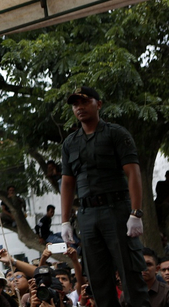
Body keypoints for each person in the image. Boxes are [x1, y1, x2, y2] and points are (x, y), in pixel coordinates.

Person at [59, 86, 149, 307]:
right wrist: (64, 221)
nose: (79, 107)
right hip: (87, 215)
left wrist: (136, 212)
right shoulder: (70, 142)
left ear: (98, 104)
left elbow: (133, 172)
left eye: (85, 101)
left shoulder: (116, 133)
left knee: (130, 274)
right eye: (75, 104)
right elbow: (68, 183)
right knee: (98, 280)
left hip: (116, 209)